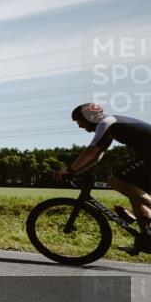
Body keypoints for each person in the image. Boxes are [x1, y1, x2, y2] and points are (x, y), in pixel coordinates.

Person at [57, 103, 151, 255]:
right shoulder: (112, 125)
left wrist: (70, 170)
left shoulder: (106, 123)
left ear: (89, 117)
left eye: (79, 121)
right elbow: (98, 155)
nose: (80, 126)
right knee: (133, 190)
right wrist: (76, 171)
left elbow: (92, 151)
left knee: (116, 180)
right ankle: (145, 239)